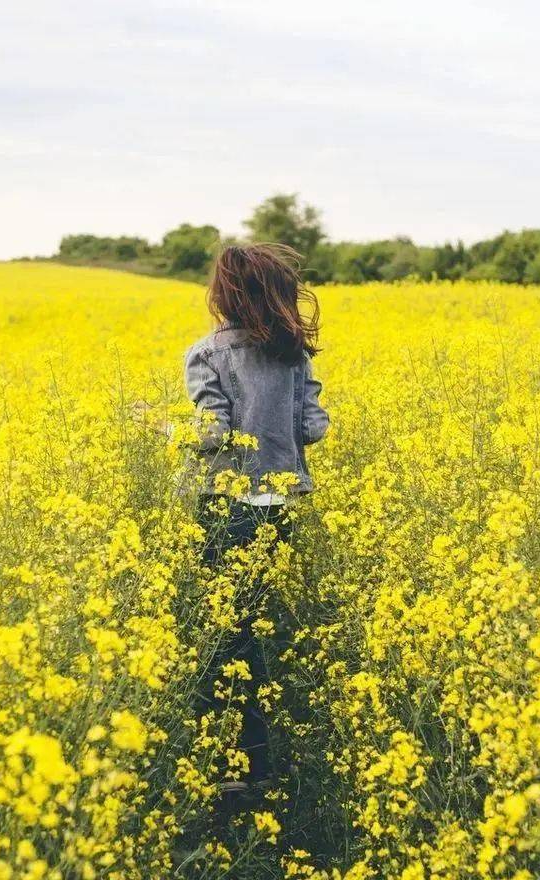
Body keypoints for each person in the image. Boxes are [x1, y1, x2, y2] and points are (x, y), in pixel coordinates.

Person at [184, 242, 330, 796]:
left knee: (229, 637)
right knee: (255, 628)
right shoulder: (294, 355)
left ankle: (242, 770)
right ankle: (260, 762)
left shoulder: (208, 353)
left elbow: (212, 435)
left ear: (223, 294)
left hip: (227, 508)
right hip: (278, 509)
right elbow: (314, 428)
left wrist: (163, 428)